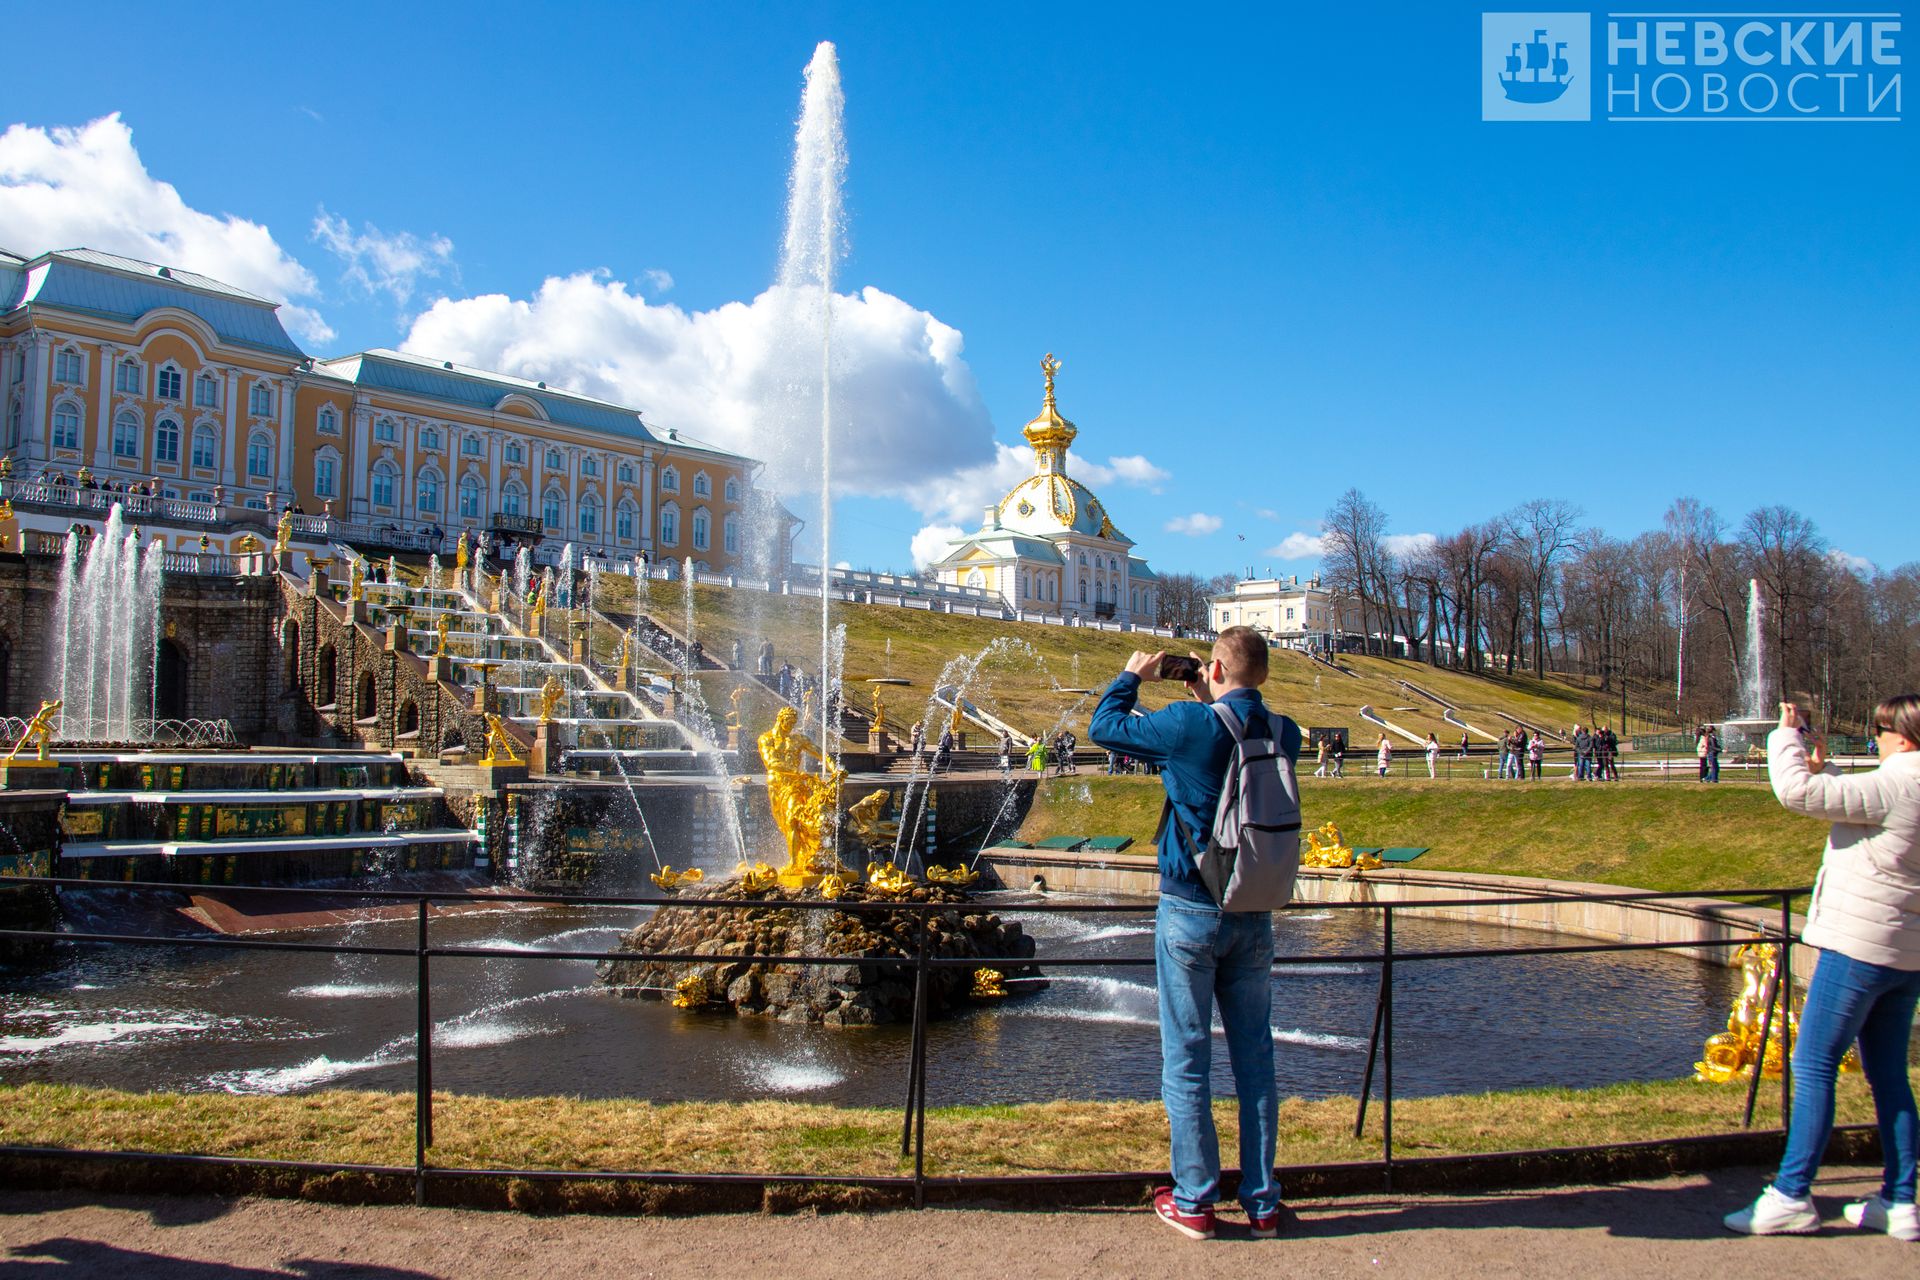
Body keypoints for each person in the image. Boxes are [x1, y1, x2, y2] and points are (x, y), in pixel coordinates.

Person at [1087, 627, 1298, 1239]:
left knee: (1187, 1058)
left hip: (1190, 910)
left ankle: (1196, 1200)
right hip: (1253, 910)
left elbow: (1106, 729)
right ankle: (1262, 1203)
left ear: (1213, 666)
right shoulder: (1284, 731)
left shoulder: (1186, 723)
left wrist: (1132, 675)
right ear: (1260, 672)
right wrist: (1217, 695)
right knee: (1256, 1059)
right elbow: (1234, 740)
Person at [1723, 696, 1920, 1240]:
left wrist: (1785, 738)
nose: (1875, 740)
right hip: (1907, 955)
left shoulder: (1897, 781)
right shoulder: (1903, 784)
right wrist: (1827, 767)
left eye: (1879, 731)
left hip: (1857, 949)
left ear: (1902, 737)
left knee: (1812, 1066)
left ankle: (1790, 1194)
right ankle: (1901, 1201)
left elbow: (1797, 794)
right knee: (1889, 1077)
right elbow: (1866, 806)